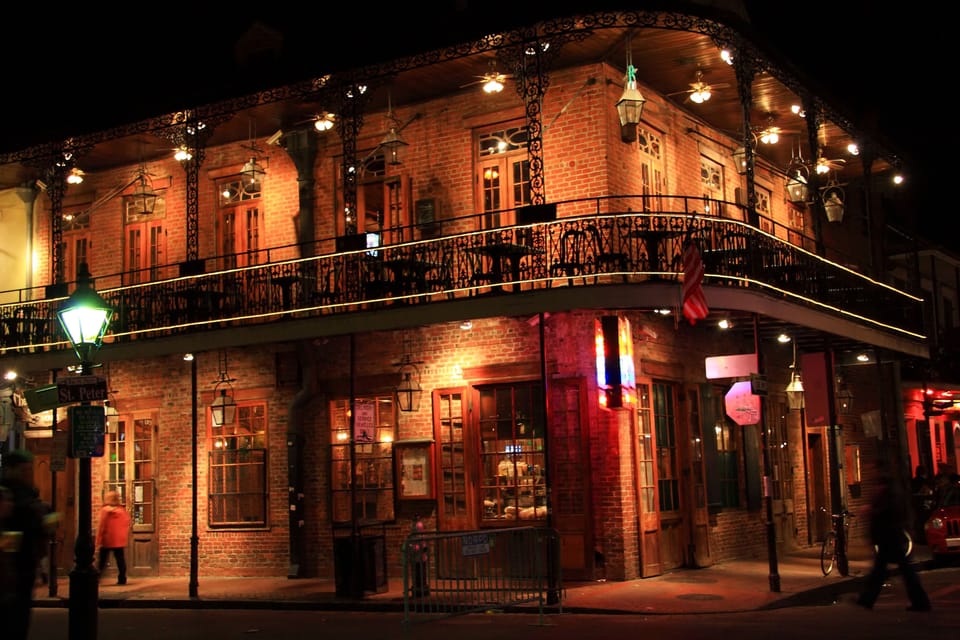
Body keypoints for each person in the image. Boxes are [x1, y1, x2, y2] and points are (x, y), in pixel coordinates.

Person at [856, 470, 931, 612]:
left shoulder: (888, 496)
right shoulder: (890, 495)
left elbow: (885, 515)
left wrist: (871, 511)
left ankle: (868, 599)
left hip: (889, 538)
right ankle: (867, 599)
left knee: (891, 571)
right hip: (889, 538)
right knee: (889, 571)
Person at [0, 450, 49, 640]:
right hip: (11, 564)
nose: (27, 473)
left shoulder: (29, 494)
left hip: (24, 563)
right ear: (11, 469)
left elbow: (38, 528)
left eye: (29, 470)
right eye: (23, 470)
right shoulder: (9, 493)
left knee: (20, 615)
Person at [96, 490, 131, 585]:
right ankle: (122, 578)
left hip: (107, 539)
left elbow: (101, 525)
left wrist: (98, 540)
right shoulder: (122, 511)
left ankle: (97, 578)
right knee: (120, 560)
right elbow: (127, 522)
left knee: (102, 561)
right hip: (118, 540)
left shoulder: (105, 511)